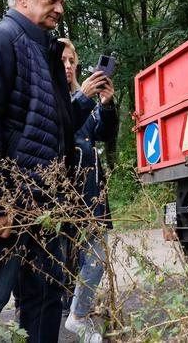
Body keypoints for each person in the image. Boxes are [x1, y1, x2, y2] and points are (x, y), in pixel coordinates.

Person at [0, 0, 103, 342]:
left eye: (60, 1)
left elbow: (58, 129)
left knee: (47, 296)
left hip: (46, 205)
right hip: (9, 206)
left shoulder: (45, 52)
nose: (60, 9)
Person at [59, 39, 117, 343]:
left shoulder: (84, 99)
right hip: (57, 196)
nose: (68, 66)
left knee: (96, 255)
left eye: (73, 61)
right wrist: (82, 97)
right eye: (63, 60)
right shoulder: (49, 98)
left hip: (92, 193)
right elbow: (60, 128)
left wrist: (106, 105)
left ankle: (78, 315)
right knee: (57, 262)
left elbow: (105, 134)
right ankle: (57, 314)